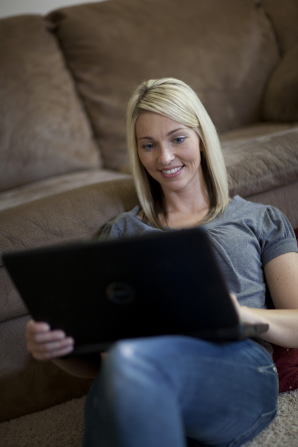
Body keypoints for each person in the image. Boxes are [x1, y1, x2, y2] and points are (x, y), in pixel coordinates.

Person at [25, 78, 298, 447]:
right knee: (126, 366)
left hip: (237, 366)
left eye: (178, 138)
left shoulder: (260, 219)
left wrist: (246, 316)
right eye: (148, 145)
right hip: (133, 370)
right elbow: (99, 363)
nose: (164, 158)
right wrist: (57, 350)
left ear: (202, 136)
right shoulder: (120, 232)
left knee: (133, 365)